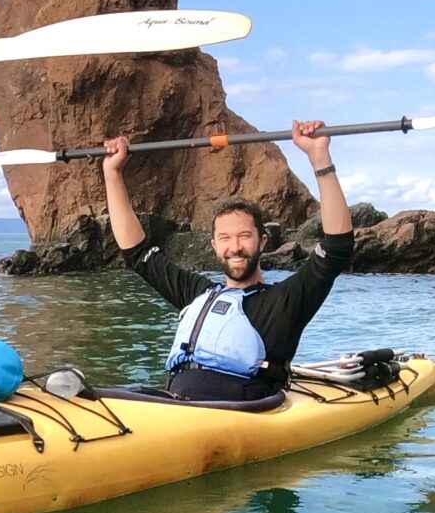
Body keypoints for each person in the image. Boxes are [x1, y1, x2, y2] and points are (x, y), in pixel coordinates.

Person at [101, 121, 353, 402]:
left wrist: (319, 157)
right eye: (225, 238)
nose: (235, 247)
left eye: (244, 236)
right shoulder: (197, 293)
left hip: (240, 410)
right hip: (174, 402)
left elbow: (336, 249)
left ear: (263, 241)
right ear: (214, 245)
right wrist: (112, 173)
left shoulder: (287, 301)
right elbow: (137, 254)